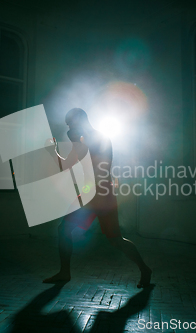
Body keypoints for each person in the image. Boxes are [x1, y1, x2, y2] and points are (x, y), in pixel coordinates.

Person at [43, 108, 152, 288]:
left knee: (115, 239)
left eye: (70, 124)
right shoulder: (80, 141)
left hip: (101, 192)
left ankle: (145, 269)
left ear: (79, 121)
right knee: (65, 230)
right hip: (89, 192)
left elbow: (101, 167)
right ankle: (64, 272)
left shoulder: (100, 138)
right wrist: (52, 151)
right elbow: (66, 165)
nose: (69, 128)